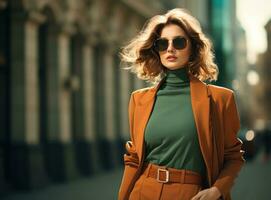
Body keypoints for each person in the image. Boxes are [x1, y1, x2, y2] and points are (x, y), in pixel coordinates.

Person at [118, 8, 245, 200]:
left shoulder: (221, 99)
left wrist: (217, 190)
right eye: (163, 43)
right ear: (156, 49)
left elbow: (234, 157)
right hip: (143, 191)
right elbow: (134, 159)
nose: (170, 48)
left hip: (191, 193)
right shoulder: (139, 99)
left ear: (193, 47)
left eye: (179, 42)